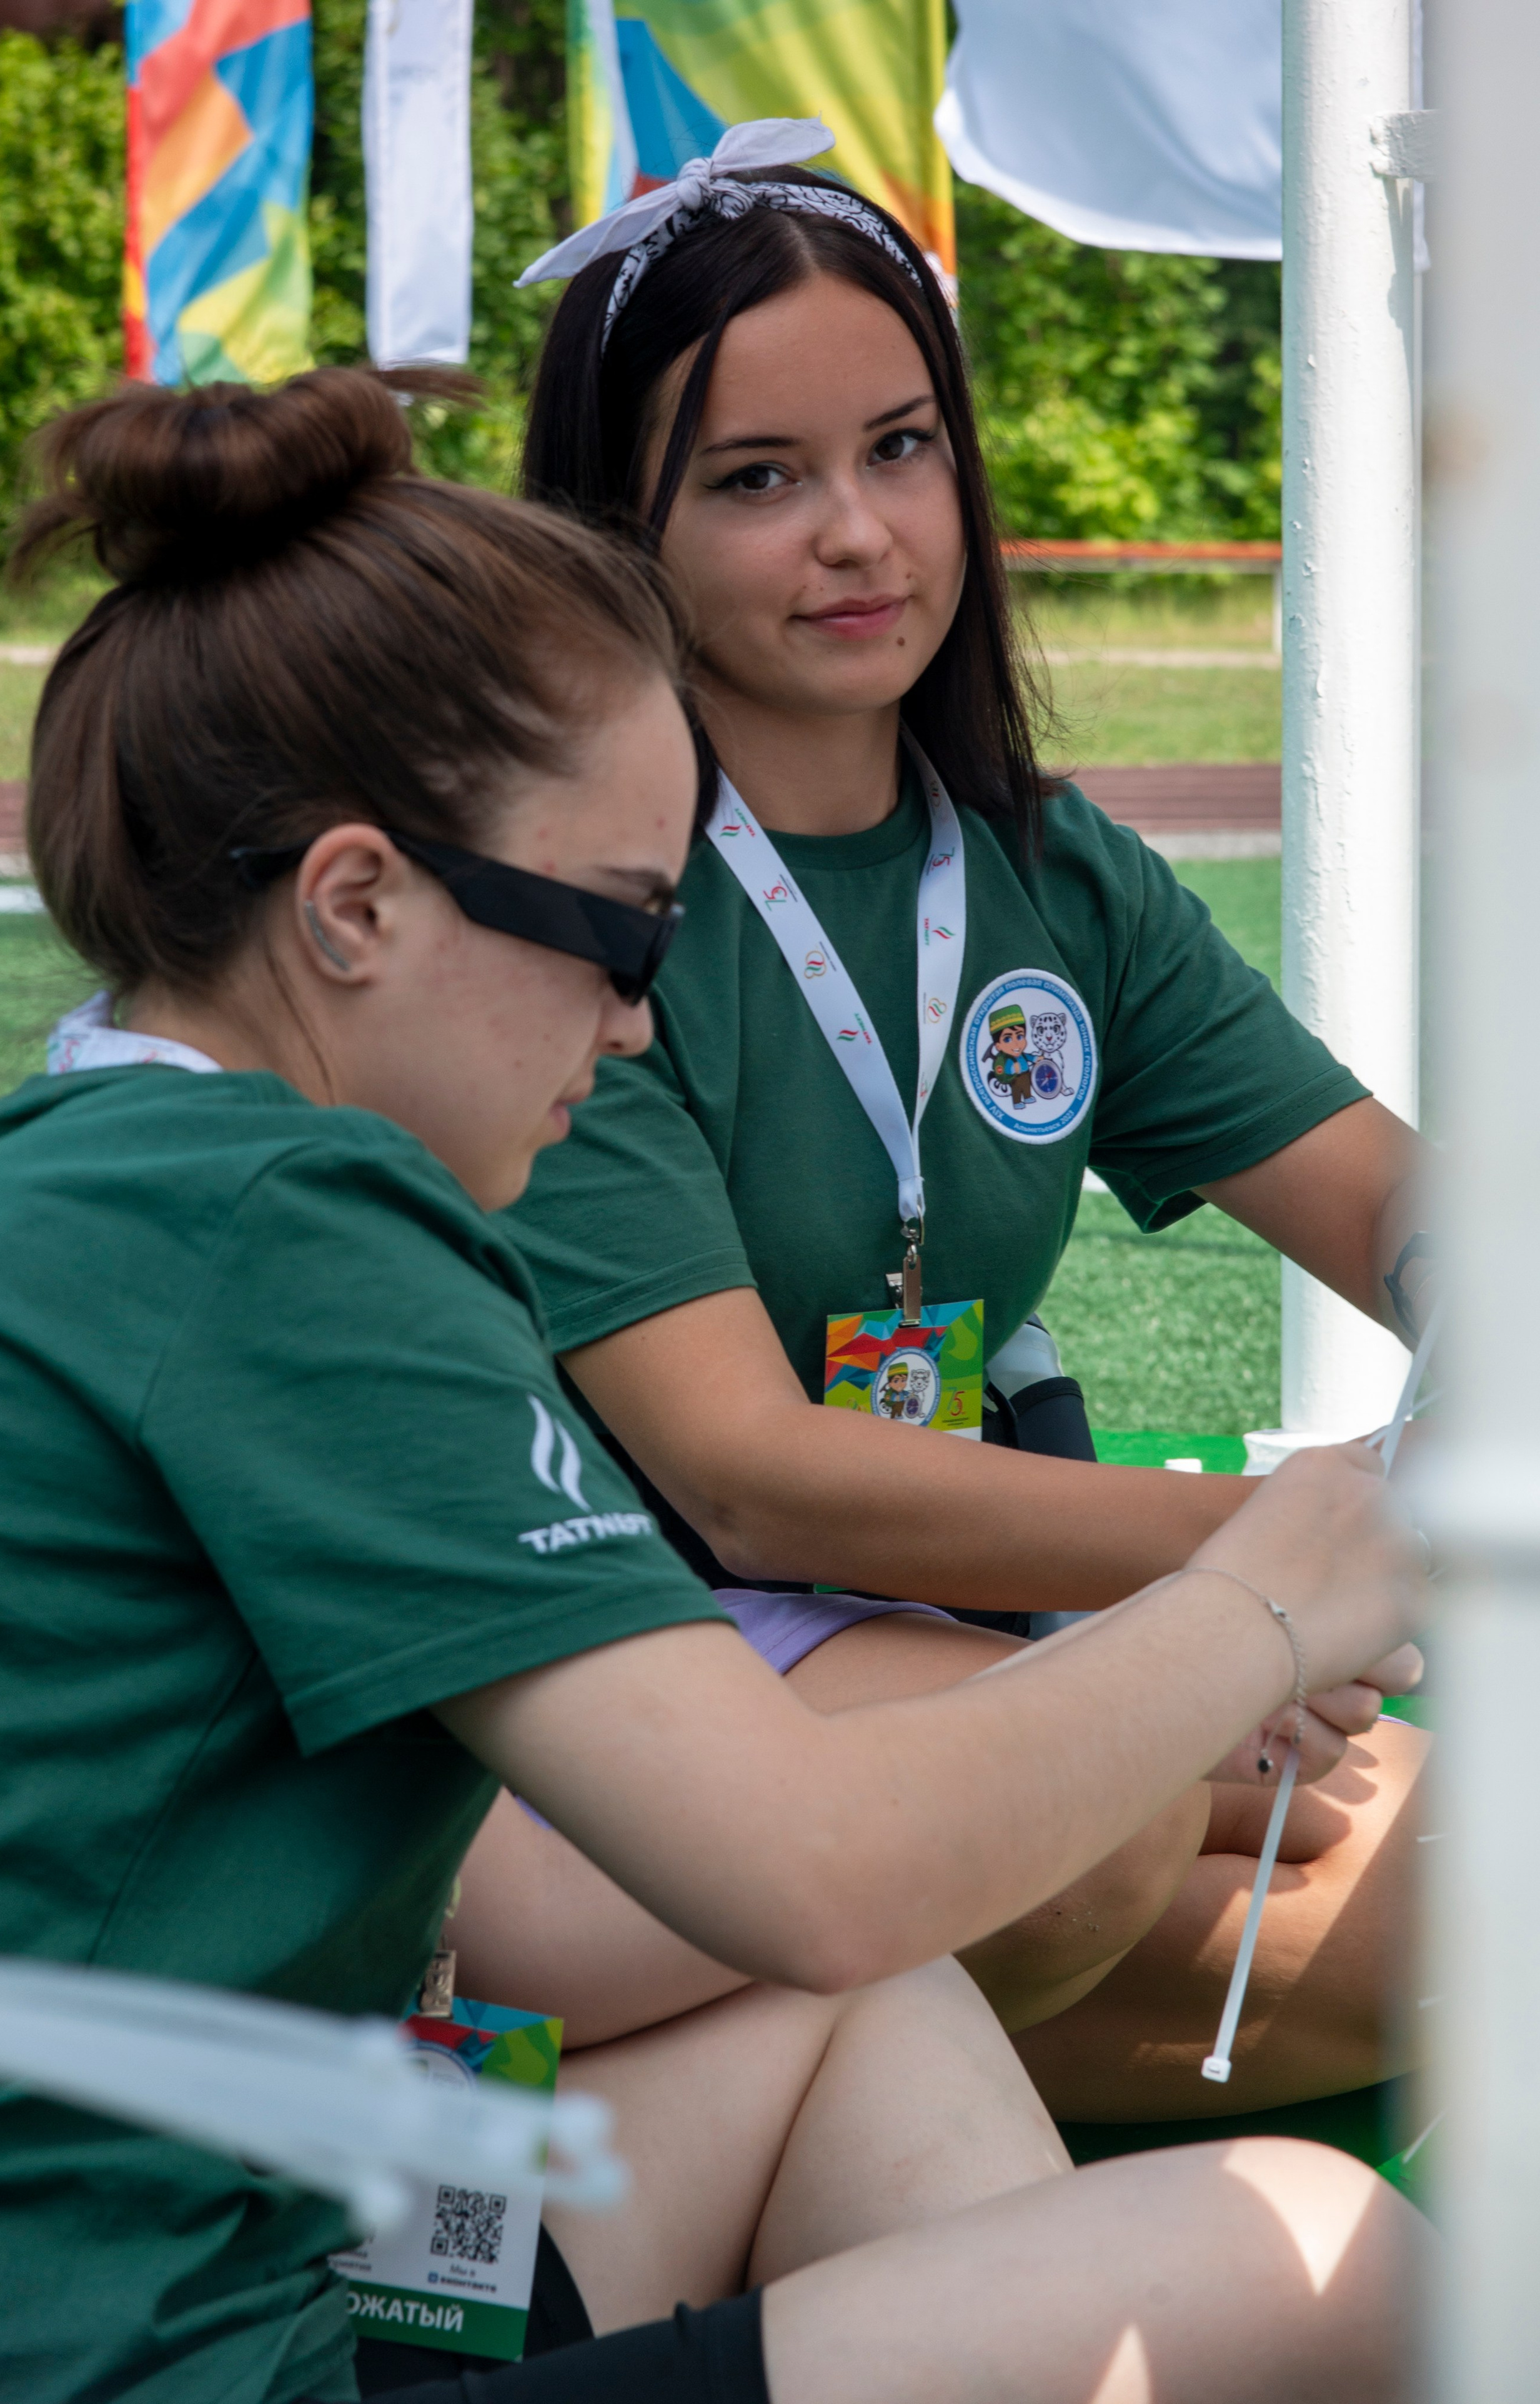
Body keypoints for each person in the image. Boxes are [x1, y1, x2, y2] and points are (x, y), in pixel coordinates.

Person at [0, 366, 1426, 2404]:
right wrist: (1263, 1599)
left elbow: (555, 1916)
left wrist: (1144, 1697)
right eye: (619, 933)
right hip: (149, 2356)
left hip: (218, 2244)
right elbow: (812, 1863)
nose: (639, 1027)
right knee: (1329, 2259)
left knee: (875, 2006)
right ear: (355, 904)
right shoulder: (291, 1232)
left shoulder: (90, 1169)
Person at [446, 121, 1434, 2122]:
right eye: (756, 480)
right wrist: (1255, 1575)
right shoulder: (574, 904)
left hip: (952, 1617)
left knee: (1461, 1907)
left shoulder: (1049, 868)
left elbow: (1394, 1203)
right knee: (1115, 1826)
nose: (859, 534)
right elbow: (748, 1482)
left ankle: (807, 2088)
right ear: (612, 529)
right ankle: (708, 2112)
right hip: (639, 1646)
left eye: (903, 449)